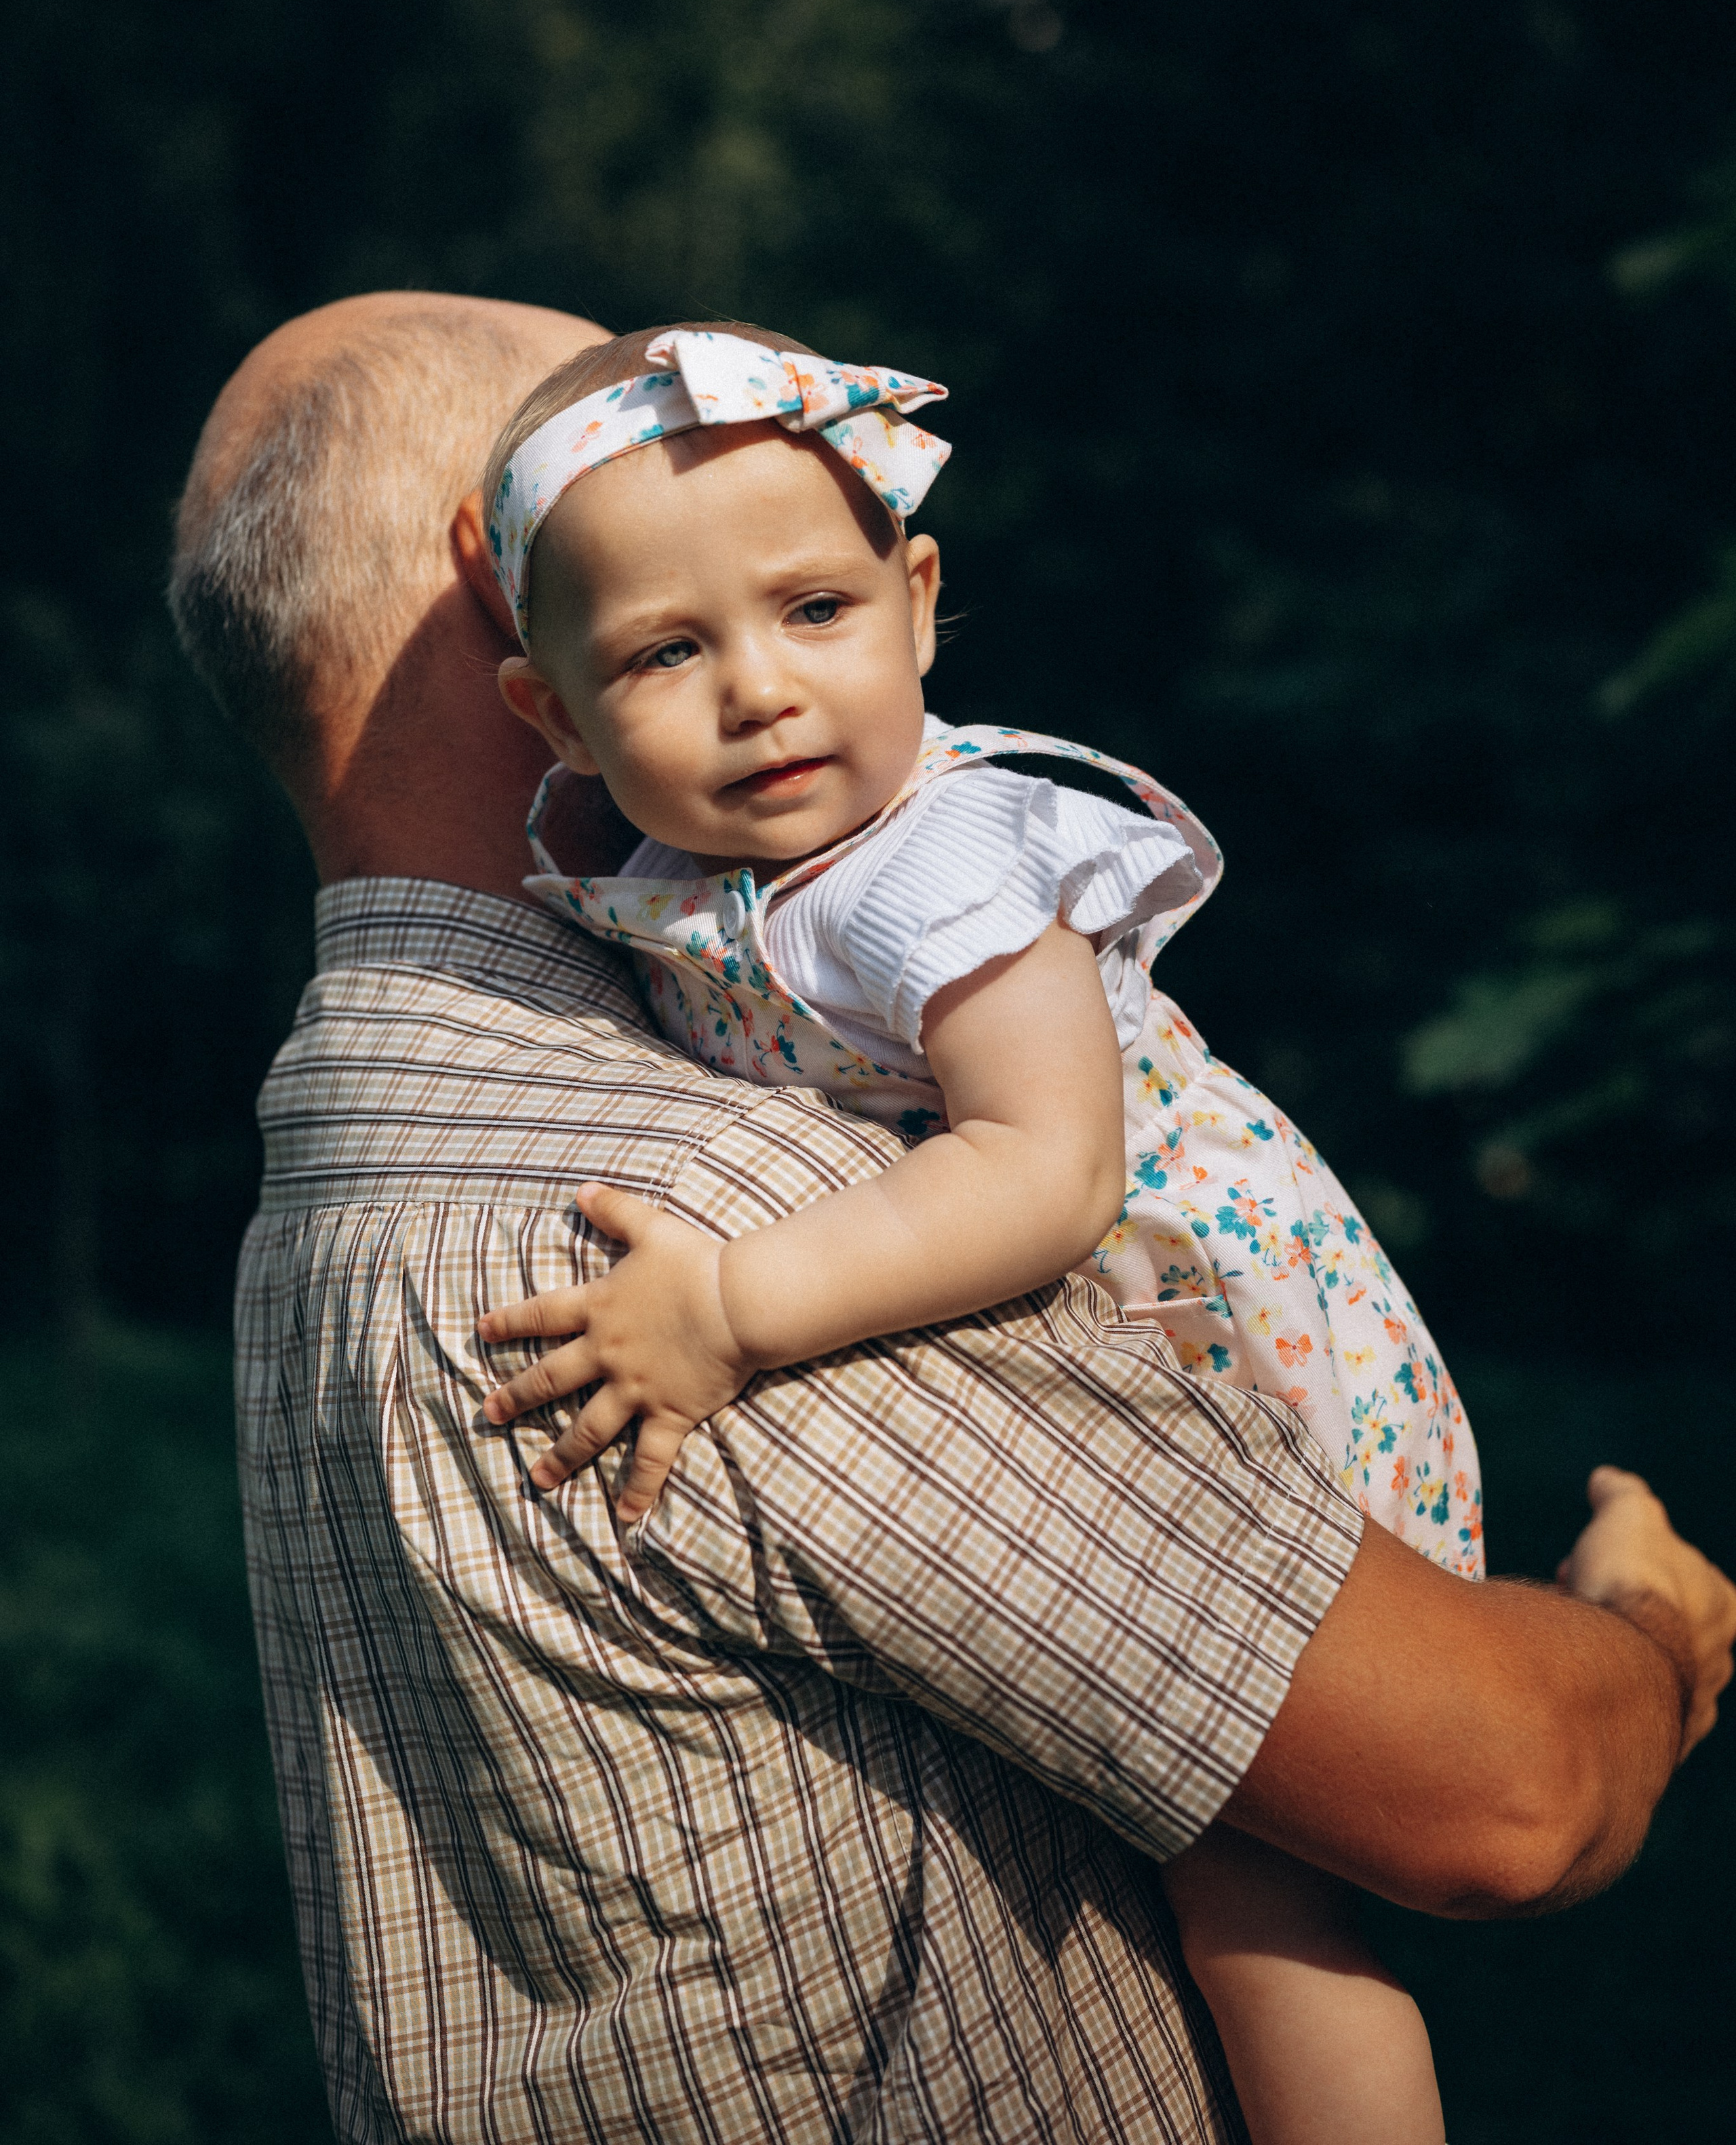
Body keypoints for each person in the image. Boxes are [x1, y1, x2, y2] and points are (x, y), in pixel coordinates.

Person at [170, 289, 1736, 2145]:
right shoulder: (717, 1206)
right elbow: (1504, 1790)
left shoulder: (327, 1180)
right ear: (513, 609)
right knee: (1276, 1901)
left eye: (812, 598)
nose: (760, 678)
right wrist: (1640, 1631)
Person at [467, 315, 1461, 2143]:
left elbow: (1045, 1169)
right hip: (1102, 1372)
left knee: (1263, 1890)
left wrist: (736, 1305)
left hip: (1230, 1350)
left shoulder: (948, 861)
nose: (761, 689)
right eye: (666, 651)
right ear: (551, 708)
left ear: (919, 600)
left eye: (815, 612)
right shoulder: (691, 879)